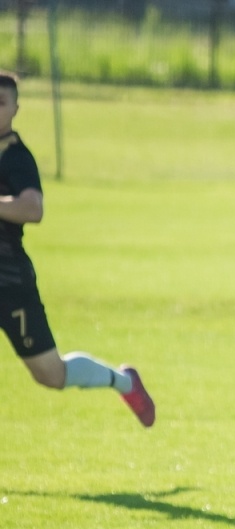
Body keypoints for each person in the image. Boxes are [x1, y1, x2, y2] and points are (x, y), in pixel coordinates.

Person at [0, 73, 154, 423]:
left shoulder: (16, 159)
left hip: (9, 283)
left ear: (15, 109)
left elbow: (32, 208)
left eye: (1, 103)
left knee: (51, 375)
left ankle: (123, 382)